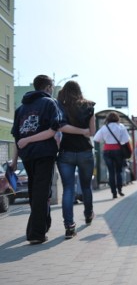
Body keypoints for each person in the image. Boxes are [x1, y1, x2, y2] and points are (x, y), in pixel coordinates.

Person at [11, 75, 89, 244]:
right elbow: (53, 131)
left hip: (26, 156)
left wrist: (13, 161)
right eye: (52, 87)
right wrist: (30, 140)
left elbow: (17, 139)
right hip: (44, 153)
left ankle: (43, 225)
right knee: (40, 192)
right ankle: (36, 234)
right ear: (47, 88)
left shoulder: (21, 108)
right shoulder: (49, 103)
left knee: (36, 192)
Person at [56, 81, 96, 239]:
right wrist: (83, 131)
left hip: (66, 153)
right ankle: (88, 214)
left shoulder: (60, 106)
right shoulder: (89, 106)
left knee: (68, 189)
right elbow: (91, 132)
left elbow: (61, 127)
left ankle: (69, 227)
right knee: (86, 187)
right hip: (85, 152)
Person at [93, 111, 129, 199]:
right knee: (118, 171)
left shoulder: (104, 128)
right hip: (117, 151)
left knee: (111, 172)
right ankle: (120, 190)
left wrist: (106, 139)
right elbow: (126, 139)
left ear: (107, 119)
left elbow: (96, 138)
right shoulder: (121, 127)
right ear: (117, 118)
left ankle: (113, 193)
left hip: (107, 151)